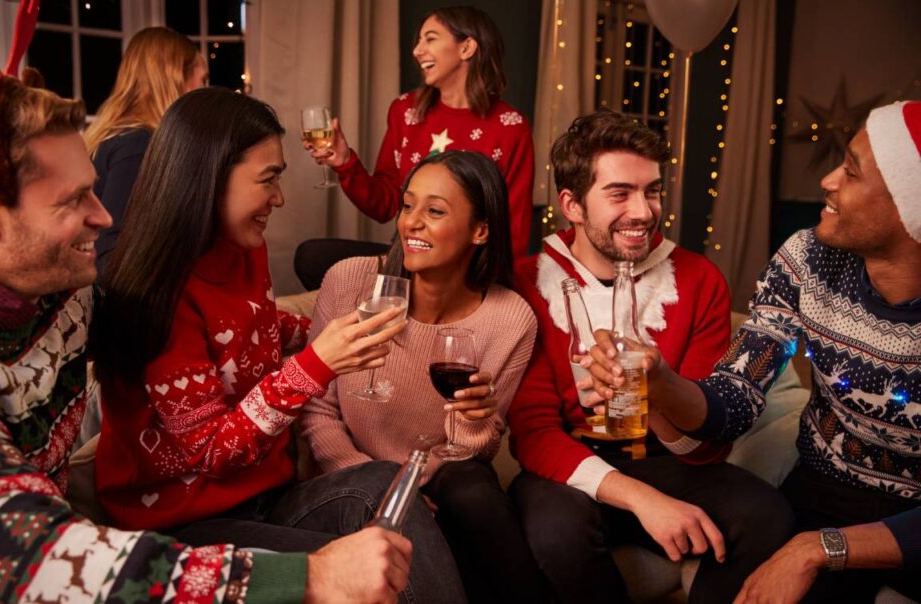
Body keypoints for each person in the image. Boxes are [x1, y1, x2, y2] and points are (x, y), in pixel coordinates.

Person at [0, 62, 412, 604]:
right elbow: (37, 557)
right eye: (72, 200)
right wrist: (307, 579)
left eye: (94, 191)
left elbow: (233, 334)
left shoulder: (70, 296)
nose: (104, 217)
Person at [89, 87, 466, 603]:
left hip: (270, 496)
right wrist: (316, 364)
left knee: (388, 484)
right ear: (208, 178)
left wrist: (339, 325)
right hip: (184, 528)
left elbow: (258, 331)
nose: (279, 198)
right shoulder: (158, 295)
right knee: (369, 563)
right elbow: (212, 453)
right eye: (268, 179)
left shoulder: (245, 250)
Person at [588, 100, 921, 603]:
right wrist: (665, 384)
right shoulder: (809, 257)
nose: (827, 180)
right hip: (821, 491)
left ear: (908, 204)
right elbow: (736, 396)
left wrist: (817, 550)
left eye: (851, 172)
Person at [508, 109, 795, 603]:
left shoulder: (700, 279)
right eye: (619, 193)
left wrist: (657, 389)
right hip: (571, 465)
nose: (642, 211)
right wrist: (645, 501)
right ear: (572, 205)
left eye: (652, 191)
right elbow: (533, 434)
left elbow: (709, 446)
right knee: (555, 534)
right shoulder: (525, 281)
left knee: (769, 517)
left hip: (669, 459)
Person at [301, 150, 547, 603]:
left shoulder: (510, 319)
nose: (412, 222)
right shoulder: (350, 282)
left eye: (434, 211)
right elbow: (316, 406)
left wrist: (474, 419)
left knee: (473, 492)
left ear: (481, 230)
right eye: (408, 205)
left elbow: (479, 447)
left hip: (439, 479)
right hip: (351, 476)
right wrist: (382, 485)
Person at [306, 6, 534, 261]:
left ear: (466, 48)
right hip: (409, 257)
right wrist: (345, 162)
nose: (417, 51)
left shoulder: (511, 127)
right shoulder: (404, 111)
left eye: (431, 39)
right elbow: (386, 204)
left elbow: (514, 229)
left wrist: (491, 292)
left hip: (468, 269)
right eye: (418, 41)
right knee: (312, 256)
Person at [83, 27, 207, 271]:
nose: (205, 90)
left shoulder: (122, 136)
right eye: (202, 80)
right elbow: (110, 255)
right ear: (173, 80)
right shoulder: (138, 144)